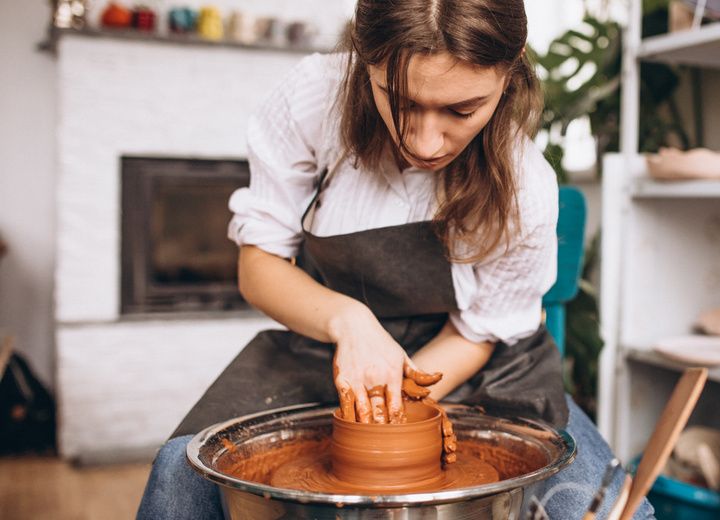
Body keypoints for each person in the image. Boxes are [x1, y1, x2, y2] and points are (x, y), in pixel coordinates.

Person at [137, 1, 653, 518]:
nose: (424, 143)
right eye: (400, 101)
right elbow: (258, 268)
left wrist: (393, 410)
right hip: (325, 356)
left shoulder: (524, 183)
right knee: (181, 479)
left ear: (512, 62)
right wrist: (350, 323)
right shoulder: (315, 98)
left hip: (479, 370)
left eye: (461, 109)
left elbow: (476, 333)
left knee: (595, 506)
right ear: (365, 58)